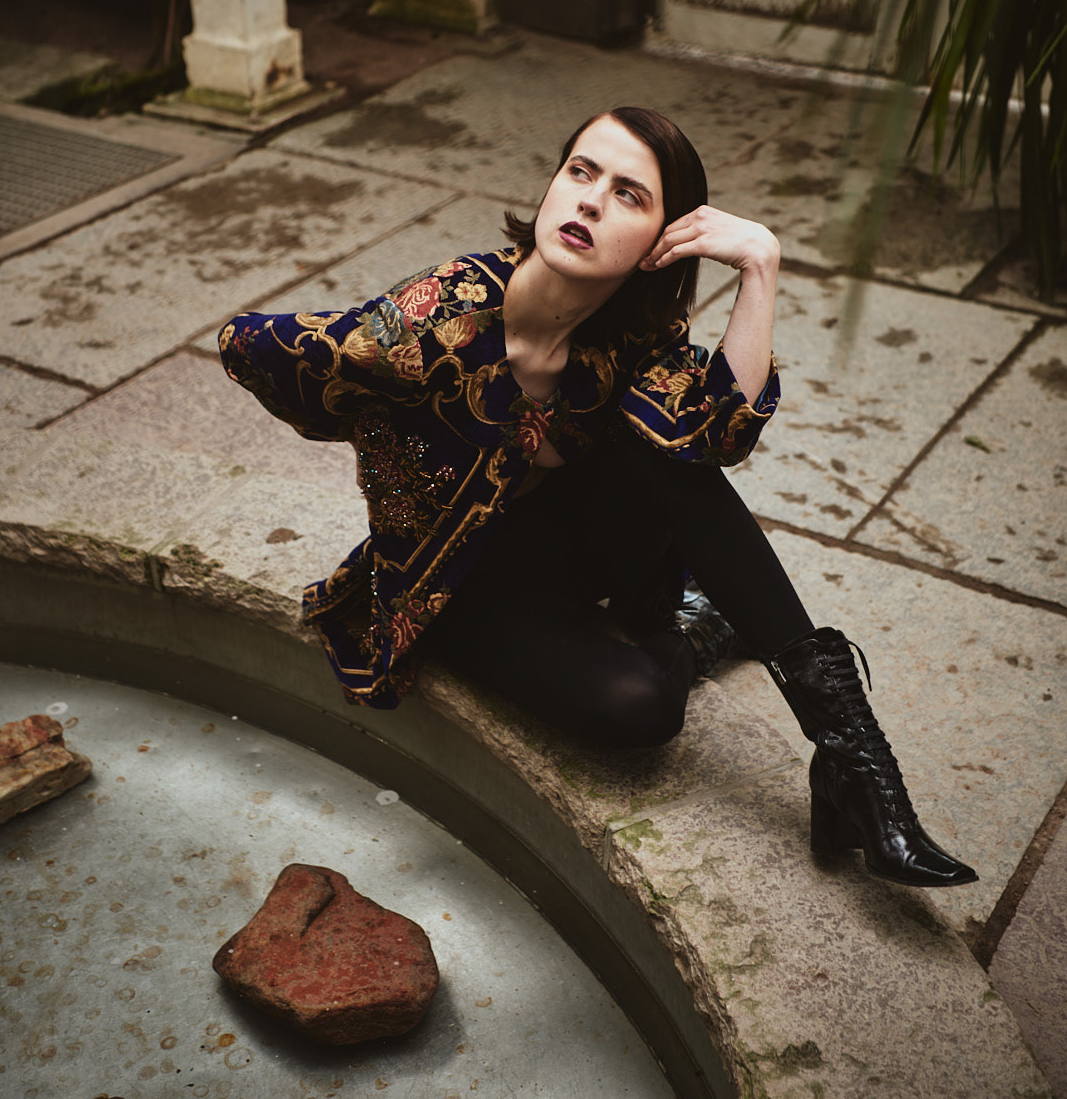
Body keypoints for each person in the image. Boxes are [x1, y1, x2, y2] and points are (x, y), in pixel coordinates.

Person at [220, 105, 976, 890]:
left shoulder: (630, 331)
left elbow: (719, 433)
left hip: (577, 552)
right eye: (580, 172)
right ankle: (699, 632)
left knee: (669, 447)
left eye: (628, 194)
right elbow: (252, 346)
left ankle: (854, 759)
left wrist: (761, 264)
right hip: (467, 587)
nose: (589, 200)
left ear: (661, 242)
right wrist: (382, 437)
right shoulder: (437, 319)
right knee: (641, 708)